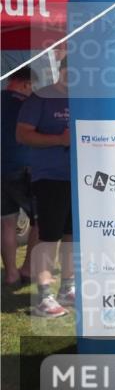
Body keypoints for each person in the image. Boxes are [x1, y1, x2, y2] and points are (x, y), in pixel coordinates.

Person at [16, 58, 73, 317]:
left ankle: (68, 288)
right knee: (49, 237)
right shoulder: (39, 99)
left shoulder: (83, 98)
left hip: (81, 179)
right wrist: (59, 139)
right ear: (62, 71)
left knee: (73, 237)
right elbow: (23, 134)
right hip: (50, 178)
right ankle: (44, 297)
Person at [2, 68, 36, 287]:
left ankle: (11, 274)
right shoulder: (27, 105)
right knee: (40, 221)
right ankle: (28, 269)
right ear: (25, 84)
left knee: (6, 223)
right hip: (22, 168)